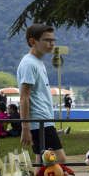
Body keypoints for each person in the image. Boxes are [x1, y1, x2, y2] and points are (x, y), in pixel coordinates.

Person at [17, 23, 65, 165]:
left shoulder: (38, 62)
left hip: (43, 120)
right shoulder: (29, 64)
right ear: (33, 41)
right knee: (59, 159)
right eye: (47, 40)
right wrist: (25, 128)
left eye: (53, 40)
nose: (51, 44)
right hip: (39, 121)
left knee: (42, 161)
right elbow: (24, 97)